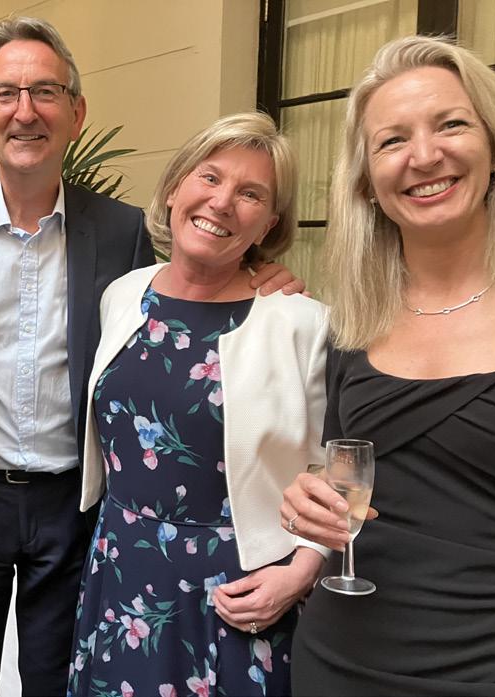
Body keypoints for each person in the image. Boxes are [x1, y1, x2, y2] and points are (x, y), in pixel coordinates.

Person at [0, 16, 305, 696]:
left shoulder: (119, 229)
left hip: (75, 503)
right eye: (6, 93)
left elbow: (182, 291)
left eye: (46, 92)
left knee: (59, 676)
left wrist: (262, 273)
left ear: (77, 113)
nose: (25, 111)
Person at [68, 112, 328, 697]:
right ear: (174, 189)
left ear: (268, 224)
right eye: (209, 178)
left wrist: (303, 569)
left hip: (242, 587)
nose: (223, 202)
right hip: (122, 566)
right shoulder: (122, 295)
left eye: (251, 194)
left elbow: (336, 464)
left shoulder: (301, 325)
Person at [281, 35, 495, 694]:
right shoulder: (353, 323)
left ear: (494, 148)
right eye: (392, 140)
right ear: (367, 183)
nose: (424, 156)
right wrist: (308, 499)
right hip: (340, 658)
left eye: (451, 124)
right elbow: (347, 476)